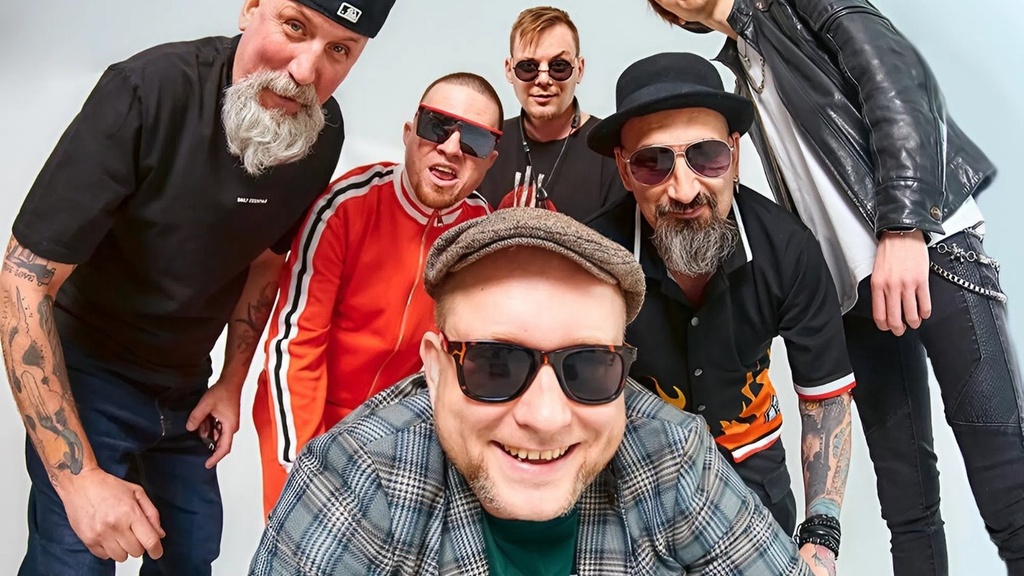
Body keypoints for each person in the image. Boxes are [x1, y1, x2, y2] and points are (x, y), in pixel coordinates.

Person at [0, 0, 394, 573]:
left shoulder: (318, 130)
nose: (306, 71)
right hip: (89, 376)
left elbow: (266, 263)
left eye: (339, 50)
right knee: (73, 563)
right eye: (294, 27)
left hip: (186, 385)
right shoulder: (147, 90)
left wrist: (231, 382)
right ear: (251, 8)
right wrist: (79, 479)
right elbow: (22, 282)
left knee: (191, 554)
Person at [644, 1, 1024, 574]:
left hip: (928, 248)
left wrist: (904, 226)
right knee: (908, 506)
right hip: (852, 287)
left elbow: (896, 76)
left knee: (1009, 488)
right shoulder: (744, 65)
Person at [248, 207, 814, 575]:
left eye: (588, 368)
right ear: (434, 369)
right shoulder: (360, 473)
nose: (545, 417)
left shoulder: (672, 453)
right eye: (496, 366)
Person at [586, 52, 855, 575]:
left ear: (734, 153)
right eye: (652, 163)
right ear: (623, 169)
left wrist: (821, 540)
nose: (684, 190)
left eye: (706, 157)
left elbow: (825, 397)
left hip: (754, 485)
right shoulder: (592, 259)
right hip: (631, 488)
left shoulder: (789, 251)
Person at [253, 72, 498, 515]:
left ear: (489, 161)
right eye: (437, 126)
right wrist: (303, 472)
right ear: (408, 132)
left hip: (402, 435)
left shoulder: (483, 230)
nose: (450, 148)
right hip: (310, 417)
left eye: (475, 140)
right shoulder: (345, 206)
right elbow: (295, 344)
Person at [476, 6, 627, 221]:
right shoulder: (486, 143)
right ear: (509, 70)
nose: (544, 79)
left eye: (559, 66)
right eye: (528, 67)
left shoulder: (610, 149)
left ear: (579, 69)